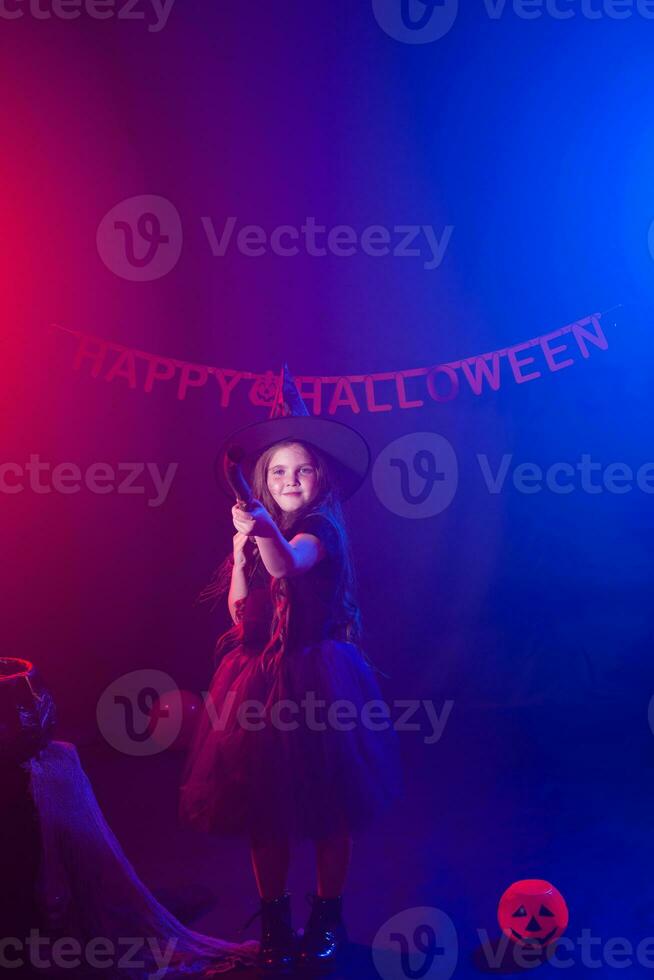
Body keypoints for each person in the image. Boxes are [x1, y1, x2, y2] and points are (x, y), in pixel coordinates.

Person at [179, 364, 402, 973]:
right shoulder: (256, 532)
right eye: (277, 471)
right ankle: (275, 915)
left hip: (319, 681)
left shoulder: (320, 528)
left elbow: (289, 566)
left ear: (320, 477)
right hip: (259, 685)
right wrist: (238, 547)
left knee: (330, 806)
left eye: (302, 470)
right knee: (262, 807)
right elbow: (241, 609)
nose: (290, 479)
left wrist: (260, 523)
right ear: (264, 477)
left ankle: (327, 914)